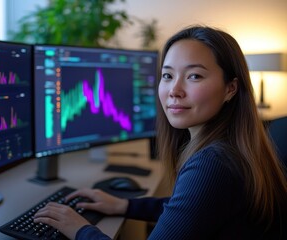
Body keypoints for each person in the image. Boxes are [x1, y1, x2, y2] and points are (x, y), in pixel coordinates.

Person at [33, 25, 287, 239]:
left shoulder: (213, 163)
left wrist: (80, 230)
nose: (174, 90)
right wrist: (124, 205)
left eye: (194, 76)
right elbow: (189, 210)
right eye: (167, 75)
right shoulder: (235, 147)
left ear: (230, 88)